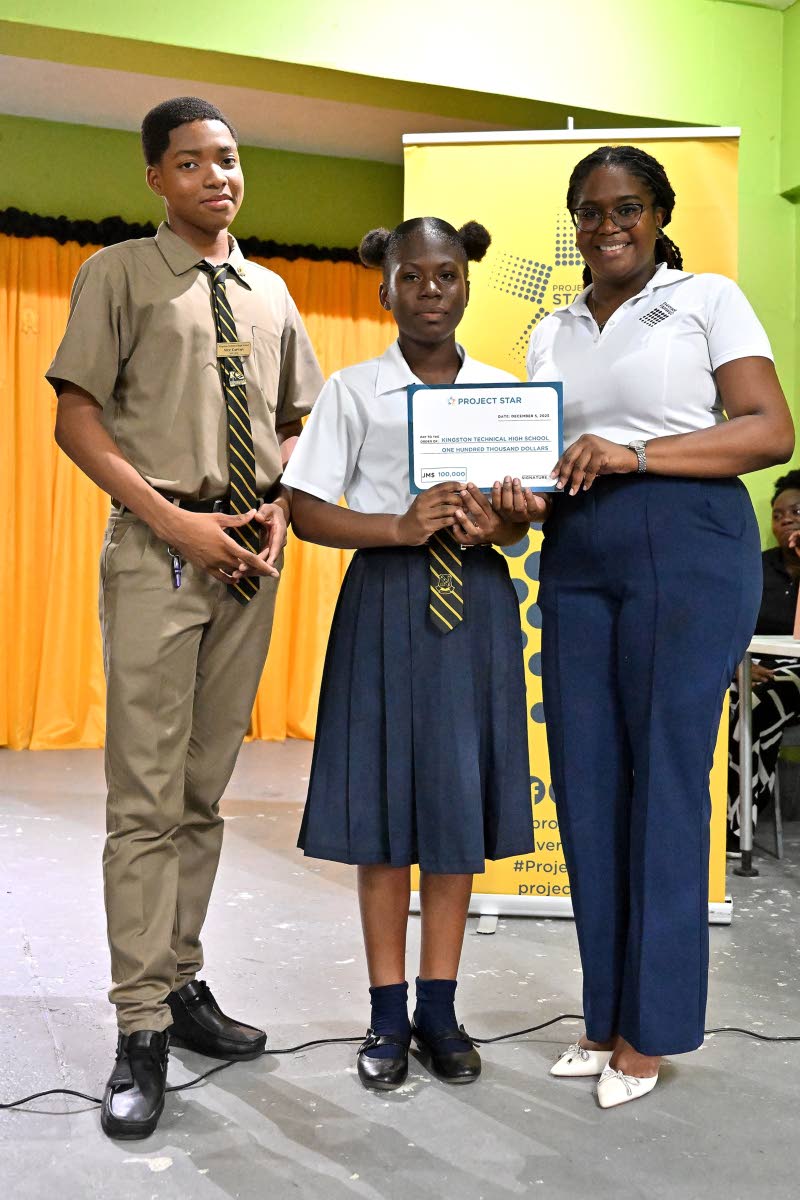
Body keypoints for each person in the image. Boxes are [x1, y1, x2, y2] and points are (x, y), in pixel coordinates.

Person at [46, 96, 323, 1139]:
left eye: (231, 159)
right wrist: (173, 520)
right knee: (144, 800)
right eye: (195, 163)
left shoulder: (270, 290)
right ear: (156, 178)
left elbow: (298, 421)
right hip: (157, 552)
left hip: (248, 558)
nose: (219, 177)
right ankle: (138, 1027)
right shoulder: (119, 274)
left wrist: (277, 502)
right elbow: (76, 415)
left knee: (205, 791)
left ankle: (183, 982)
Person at [497, 145, 793, 1108]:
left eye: (627, 208)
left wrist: (635, 452)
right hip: (578, 553)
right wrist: (515, 494)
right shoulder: (550, 330)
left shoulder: (708, 299)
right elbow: (550, 459)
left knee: (664, 780)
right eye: (589, 211)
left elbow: (767, 431)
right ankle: (602, 1014)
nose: (607, 225)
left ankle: (651, 1032)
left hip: (686, 538)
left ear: (659, 215)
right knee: (586, 781)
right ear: (572, 223)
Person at [282, 216, 535, 1091]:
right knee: (386, 817)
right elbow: (309, 508)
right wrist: (396, 524)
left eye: (449, 275)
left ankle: (439, 1008)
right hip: (387, 604)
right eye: (413, 277)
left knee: (455, 812)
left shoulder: (507, 393)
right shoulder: (353, 392)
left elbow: (529, 518)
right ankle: (387, 1014)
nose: (432, 291)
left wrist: (509, 518)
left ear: (469, 284)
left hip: (478, 608)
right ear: (384, 288)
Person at [727, 470, 800, 846]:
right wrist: (739, 666)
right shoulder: (756, 567)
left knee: (758, 703)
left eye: (796, 512)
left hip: (795, 673)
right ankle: (732, 821)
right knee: (734, 701)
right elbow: (732, 623)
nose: (785, 519)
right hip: (761, 665)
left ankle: (739, 824)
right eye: (778, 514)